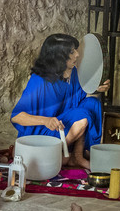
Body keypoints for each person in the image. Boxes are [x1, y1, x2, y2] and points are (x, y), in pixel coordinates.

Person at [11, 33, 107, 169]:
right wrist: (45, 120)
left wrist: (98, 87)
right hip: (41, 133)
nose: (77, 55)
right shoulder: (39, 80)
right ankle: (51, 156)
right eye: (72, 52)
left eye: (76, 50)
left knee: (93, 104)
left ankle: (77, 157)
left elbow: (82, 93)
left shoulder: (74, 73)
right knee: (82, 116)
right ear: (58, 56)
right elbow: (16, 116)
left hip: (62, 128)